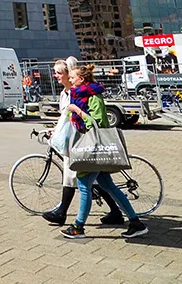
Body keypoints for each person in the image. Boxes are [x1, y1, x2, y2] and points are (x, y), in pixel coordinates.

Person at [61, 65, 148, 240]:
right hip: (92, 149)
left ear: (82, 80)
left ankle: (78, 227)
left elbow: (97, 122)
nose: (69, 80)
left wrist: (77, 111)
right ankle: (136, 222)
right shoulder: (80, 95)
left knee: (84, 185)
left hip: (92, 149)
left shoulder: (93, 96)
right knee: (109, 186)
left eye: (72, 77)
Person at [40, 58, 122, 228]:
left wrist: (72, 118)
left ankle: (72, 220)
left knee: (77, 179)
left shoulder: (77, 93)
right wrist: (57, 129)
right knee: (98, 181)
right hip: (75, 139)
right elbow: (65, 117)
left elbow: (88, 119)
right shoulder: (66, 92)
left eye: (59, 73)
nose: (56, 75)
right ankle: (119, 213)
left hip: (80, 140)